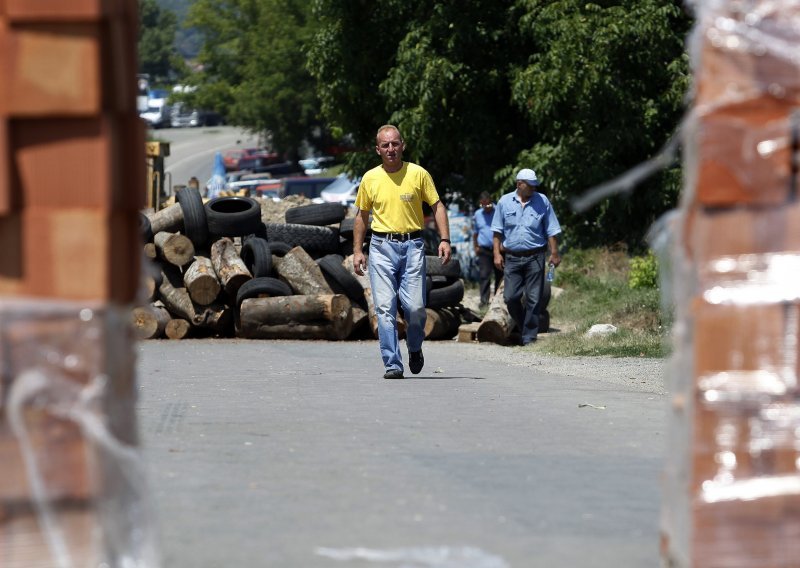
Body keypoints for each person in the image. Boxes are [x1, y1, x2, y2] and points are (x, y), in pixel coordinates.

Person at [353, 125, 452, 379]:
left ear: (403, 145)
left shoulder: (418, 174)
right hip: (381, 248)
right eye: (385, 145)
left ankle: (415, 347)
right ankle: (392, 363)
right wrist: (357, 251)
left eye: (395, 144)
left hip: (413, 246)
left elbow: (437, 206)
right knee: (385, 308)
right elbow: (362, 217)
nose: (390, 149)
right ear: (378, 149)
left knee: (416, 307)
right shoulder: (370, 178)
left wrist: (445, 239)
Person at [491, 168, 561, 346]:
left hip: (535, 256)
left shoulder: (542, 201)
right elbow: (497, 231)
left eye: (535, 185)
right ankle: (524, 326)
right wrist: (497, 254)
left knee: (533, 298)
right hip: (512, 258)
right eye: (531, 186)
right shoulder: (504, 202)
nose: (534, 189)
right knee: (510, 297)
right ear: (519, 184)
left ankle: (529, 337)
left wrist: (554, 253)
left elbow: (551, 229)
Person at [472, 191, 504, 307]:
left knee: (500, 275)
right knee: (484, 275)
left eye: (488, 205)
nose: (486, 207)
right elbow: (475, 232)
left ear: (491, 202)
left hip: (499, 250)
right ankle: (484, 301)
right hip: (484, 250)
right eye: (483, 205)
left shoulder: (499, 211)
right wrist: (475, 246)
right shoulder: (478, 214)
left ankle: (497, 301)